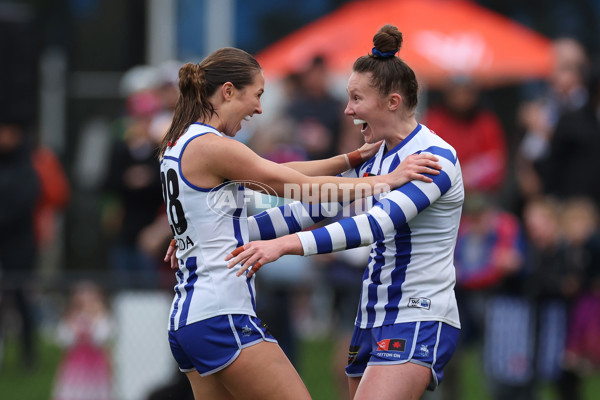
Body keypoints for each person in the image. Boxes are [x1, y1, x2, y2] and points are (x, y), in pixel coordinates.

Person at [158, 46, 442, 400]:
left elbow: (282, 175)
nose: (259, 108)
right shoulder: (213, 145)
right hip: (221, 313)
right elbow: (295, 186)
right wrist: (384, 181)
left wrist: (350, 158)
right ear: (228, 91)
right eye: (257, 95)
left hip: (188, 319)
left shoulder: (178, 143)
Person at [226, 25, 464, 400]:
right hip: (372, 313)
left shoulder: (434, 158)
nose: (347, 109)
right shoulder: (375, 154)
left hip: (416, 313)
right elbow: (308, 211)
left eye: (356, 98)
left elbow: (373, 225)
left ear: (392, 102)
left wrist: (283, 247)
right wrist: (222, 232)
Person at [52, 281, 114, 400]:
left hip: (97, 368)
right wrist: (74, 330)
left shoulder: (102, 318)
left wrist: (95, 321)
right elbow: (63, 339)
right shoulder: (71, 318)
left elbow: (102, 338)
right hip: (75, 369)